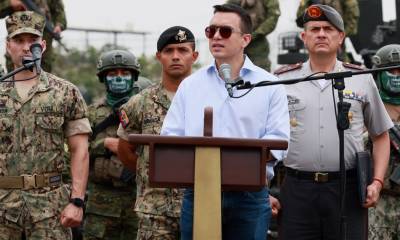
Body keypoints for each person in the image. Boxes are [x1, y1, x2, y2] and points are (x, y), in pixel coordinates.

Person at [161, 4, 289, 240]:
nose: (217, 36)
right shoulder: (191, 85)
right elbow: (170, 136)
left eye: (226, 31)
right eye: (211, 31)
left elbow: (278, 139)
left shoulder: (269, 85)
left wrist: (242, 160)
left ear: (245, 40)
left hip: (249, 195)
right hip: (200, 190)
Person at [274, 4, 392, 239]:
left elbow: (380, 135)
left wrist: (377, 181)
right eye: (314, 28)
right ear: (303, 37)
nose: (321, 34)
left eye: (328, 29)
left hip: (347, 189)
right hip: (297, 189)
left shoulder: (360, 78)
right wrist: (262, 190)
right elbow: (263, 139)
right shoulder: (280, 80)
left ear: (341, 37)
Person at [0, 11, 90, 239]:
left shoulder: (65, 92)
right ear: (7, 45)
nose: (26, 47)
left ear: (43, 45)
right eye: (19, 40)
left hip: (50, 208)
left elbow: (80, 150)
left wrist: (77, 201)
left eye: (32, 41)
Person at [116, 26, 199, 240]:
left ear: (195, 56)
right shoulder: (140, 103)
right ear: (158, 56)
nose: (176, 57)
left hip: (201, 206)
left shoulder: (209, 99)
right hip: (154, 211)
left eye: (183, 50)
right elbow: (125, 149)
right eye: (169, 51)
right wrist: (151, 170)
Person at [83, 49, 152, 239]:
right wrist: (105, 143)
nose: (119, 78)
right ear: (103, 78)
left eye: (125, 74)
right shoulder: (90, 113)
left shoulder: (145, 111)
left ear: (134, 77)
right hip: (100, 204)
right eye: (112, 74)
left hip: (138, 201)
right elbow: (75, 152)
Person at [368, 44, 400, 240]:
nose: (396, 76)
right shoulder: (368, 108)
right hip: (380, 202)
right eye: (391, 71)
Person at [0, 0, 67, 72]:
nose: (27, 48)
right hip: (17, 34)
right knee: (15, 72)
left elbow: (59, 11)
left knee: (44, 73)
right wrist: (9, 4)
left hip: (43, 35)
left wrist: (59, 25)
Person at [226, 0, 280, 71]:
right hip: (237, 44)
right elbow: (226, 13)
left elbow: (273, 17)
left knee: (260, 75)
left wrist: (255, 34)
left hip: (257, 45)